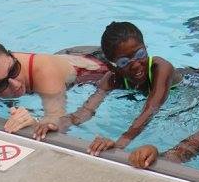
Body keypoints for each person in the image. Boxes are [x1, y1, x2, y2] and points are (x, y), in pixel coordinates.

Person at [52, 21, 181, 154]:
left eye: (140, 54)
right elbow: (87, 110)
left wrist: (119, 144)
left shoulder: (161, 68)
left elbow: (151, 109)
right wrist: (58, 124)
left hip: (190, 89)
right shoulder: (111, 79)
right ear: (112, 66)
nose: (136, 64)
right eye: (124, 62)